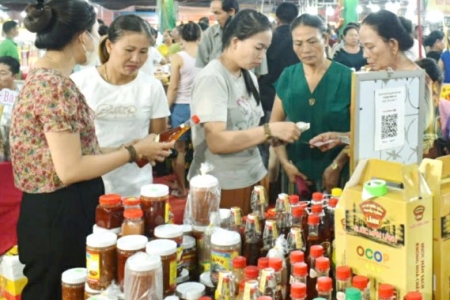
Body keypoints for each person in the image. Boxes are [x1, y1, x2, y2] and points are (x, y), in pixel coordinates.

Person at [9, 1, 174, 299]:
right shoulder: (57, 86)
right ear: (83, 37)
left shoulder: (45, 79)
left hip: (56, 208)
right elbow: (70, 169)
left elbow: (74, 151)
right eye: (96, 33)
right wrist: (133, 152)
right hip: (58, 212)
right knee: (56, 289)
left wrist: (133, 146)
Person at [188, 9, 300, 214]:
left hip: (253, 173)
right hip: (223, 183)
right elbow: (217, 142)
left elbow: (247, 127)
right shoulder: (213, 78)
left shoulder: (246, 74)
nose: (262, 56)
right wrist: (268, 130)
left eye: (266, 49)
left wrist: (270, 136)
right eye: (258, 48)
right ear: (235, 42)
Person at [311, 10, 438, 157]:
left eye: (370, 47)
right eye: (363, 47)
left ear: (393, 45)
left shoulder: (419, 83)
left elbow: (424, 143)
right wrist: (341, 138)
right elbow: (378, 132)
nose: (364, 54)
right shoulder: (379, 77)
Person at [71, 14, 171, 197]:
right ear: (109, 46)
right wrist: (128, 151)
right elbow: (71, 145)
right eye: (129, 50)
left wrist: (155, 149)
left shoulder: (152, 87)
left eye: (143, 52)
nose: (136, 59)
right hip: (90, 182)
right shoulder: (78, 83)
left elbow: (157, 138)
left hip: (136, 186)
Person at [270, 14, 352, 193]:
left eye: (312, 41)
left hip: (336, 171)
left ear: (325, 39)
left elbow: (358, 134)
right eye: (298, 43)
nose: (305, 49)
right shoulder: (288, 76)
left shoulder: (348, 78)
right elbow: (275, 126)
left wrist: (337, 165)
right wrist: (285, 164)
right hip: (296, 170)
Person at [167, 22, 201, 198]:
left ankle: (181, 189)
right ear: (199, 36)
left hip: (181, 108)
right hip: (201, 107)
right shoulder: (206, 56)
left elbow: (173, 88)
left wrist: (166, 110)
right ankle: (200, 187)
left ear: (181, 37)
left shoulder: (178, 57)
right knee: (201, 150)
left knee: (180, 150)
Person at [195, 0, 239, 68]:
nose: (215, 18)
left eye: (217, 13)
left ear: (231, 11)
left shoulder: (249, 33)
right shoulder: (210, 33)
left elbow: (258, 72)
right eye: (213, 13)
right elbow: (200, 64)